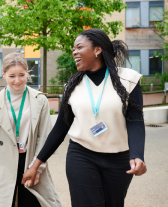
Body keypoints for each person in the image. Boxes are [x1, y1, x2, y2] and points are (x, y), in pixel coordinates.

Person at [22, 29, 147, 207]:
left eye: (79, 47)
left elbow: (135, 120)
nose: (74, 52)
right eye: (73, 48)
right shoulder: (72, 86)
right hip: (82, 155)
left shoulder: (128, 79)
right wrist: (36, 164)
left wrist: (137, 154)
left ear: (97, 50)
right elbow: (60, 128)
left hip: (119, 158)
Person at [0, 52, 62, 207]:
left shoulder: (40, 100)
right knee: (2, 202)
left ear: (27, 73)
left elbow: (44, 136)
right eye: (11, 76)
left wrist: (38, 167)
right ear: (3, 74)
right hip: (2, 161)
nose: (17, 80)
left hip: (30, 160)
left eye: (21, 75)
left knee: (31, 202)